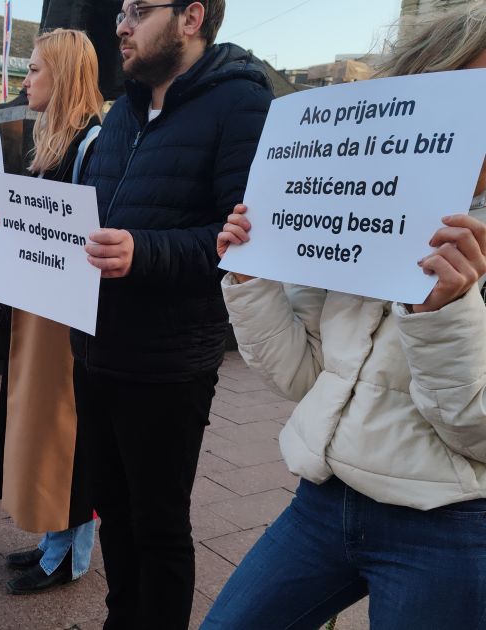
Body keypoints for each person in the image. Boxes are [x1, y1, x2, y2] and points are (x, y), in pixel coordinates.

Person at [204, 7, 486, 628]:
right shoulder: (360, 200)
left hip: (451, 523)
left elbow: (478, 434)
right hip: (324, 499)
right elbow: (304, 377)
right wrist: (252, 279)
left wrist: (443, 316)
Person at [71, 1, 271, 627]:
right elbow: (95, 216)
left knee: (158, 523)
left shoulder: (241, 104)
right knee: (113, 507)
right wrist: (23, 226)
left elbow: (245, 236)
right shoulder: (124, 109)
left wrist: (144, 252)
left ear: (191, 17)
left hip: (168, 359)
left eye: (137, 10)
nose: (120, 25)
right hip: (97, 347)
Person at [0, 28, 102, 596]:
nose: (24, 81)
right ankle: (54, 539)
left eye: (34, 70)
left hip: (69, 319)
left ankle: (70, 554)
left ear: (64, 74)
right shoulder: (56, 140)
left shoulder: (90, 142)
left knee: (65, 432)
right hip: (44, 309)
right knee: (41, 427)